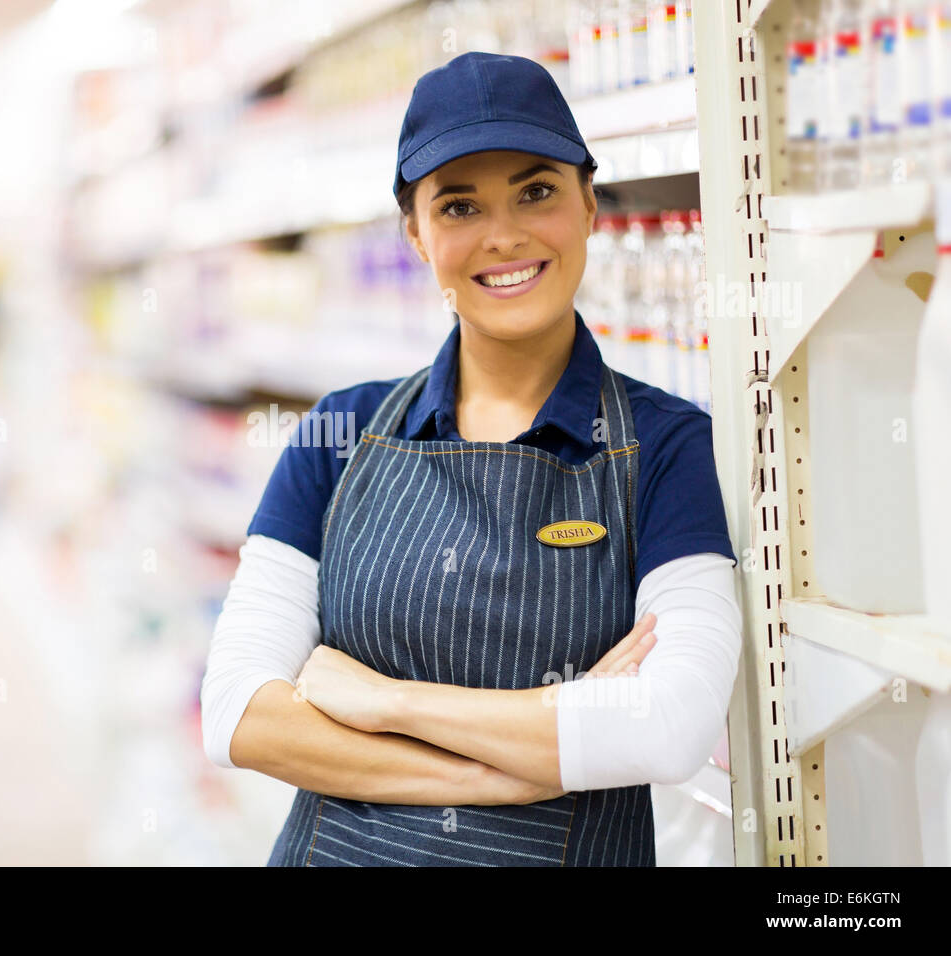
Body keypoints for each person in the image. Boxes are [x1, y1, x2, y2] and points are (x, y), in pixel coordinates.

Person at [200, 52, 742, 867]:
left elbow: (669, 726)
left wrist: (381, 701)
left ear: (589, 202)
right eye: (458, 206)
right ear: (416, 235)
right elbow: (236, 713)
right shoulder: (338, 432)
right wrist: (514, 769)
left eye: (537, 191)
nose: (505, 235)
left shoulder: (666, 447)